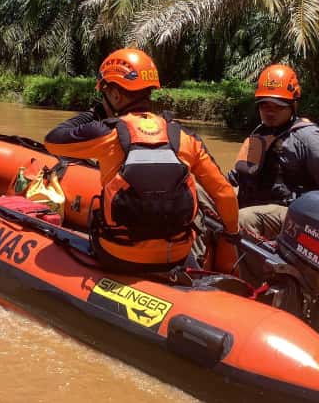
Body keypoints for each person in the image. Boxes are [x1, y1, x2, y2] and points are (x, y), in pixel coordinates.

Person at [44, 48, 240, 274]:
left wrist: (95, 114)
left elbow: (53, 141)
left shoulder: (108, 134)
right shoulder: (185, 137)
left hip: (118, 254)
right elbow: (223, 193)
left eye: (105, 93)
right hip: (174, 256)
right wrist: (231, 235)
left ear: (116, 95)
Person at [227, 64, 319, 239]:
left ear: (293, 105)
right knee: (200, 193)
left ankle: (251, 266)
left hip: (295, 214)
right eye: (265, 105)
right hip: (258, 205)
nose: (270, 112)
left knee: (245, 218)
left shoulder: (309, 138)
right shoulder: (259, 134)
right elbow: (236, 178)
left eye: (278, 106)